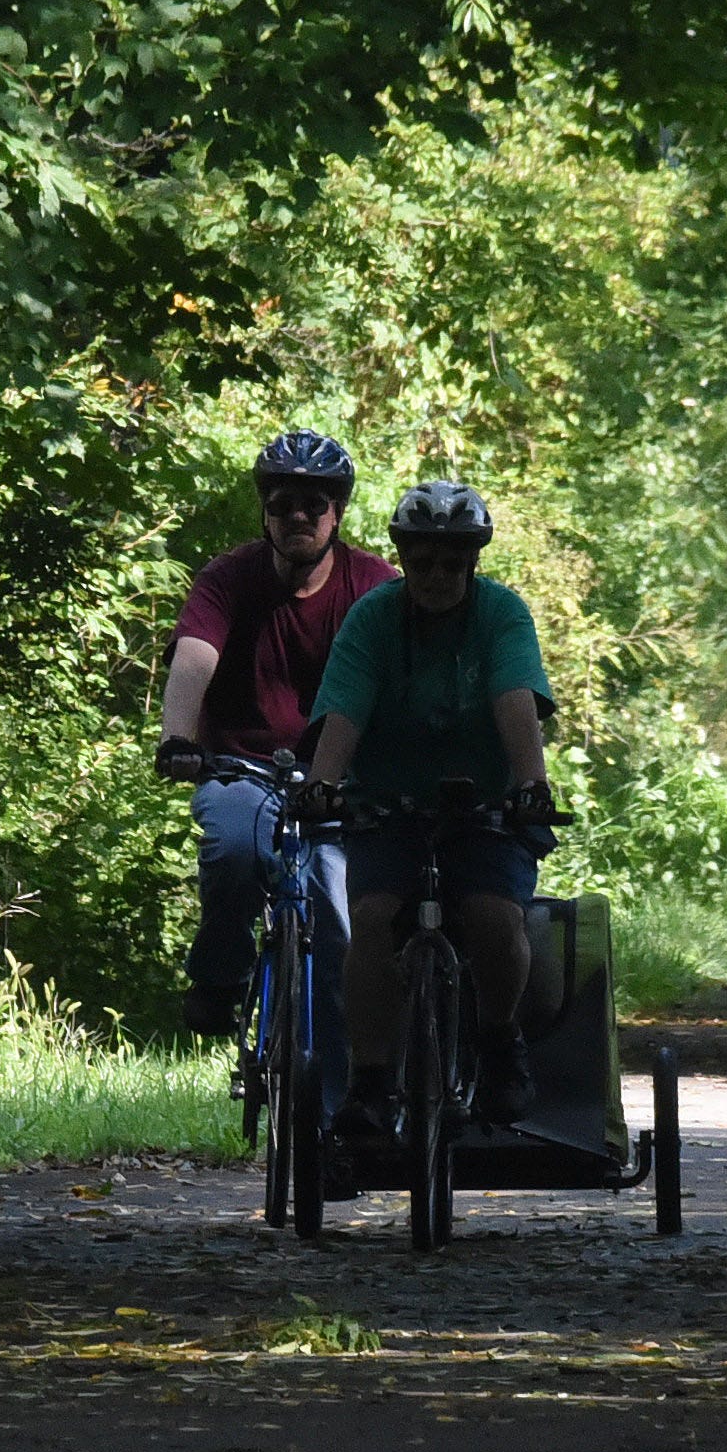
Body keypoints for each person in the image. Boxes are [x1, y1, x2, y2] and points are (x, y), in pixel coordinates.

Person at [301, 480, 558, 1134]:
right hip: (388, 803)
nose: (437, 576)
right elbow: (345, 707)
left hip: (485, 802)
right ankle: (371, 1084)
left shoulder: (501, 614)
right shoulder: (374, 617)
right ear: (404, 559)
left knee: (493, 917)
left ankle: (501, 1046)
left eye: (452, 563)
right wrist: (322, 782)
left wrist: (531, 782)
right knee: (375, 919)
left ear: (473, 562)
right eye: (422, 563)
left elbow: (514, 696)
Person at [155, 432, 392, 1100]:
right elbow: (196, 654)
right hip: (243, 766)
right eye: (283, 504)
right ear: (265, 511)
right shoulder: (229, 578)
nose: (297, 517)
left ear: (336, 514)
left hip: (344, 784)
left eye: (312, 505)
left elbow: (396, 672)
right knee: (232, 848)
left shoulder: (372, 585)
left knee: (342, 923)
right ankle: (221, 978)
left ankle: (342, 1112)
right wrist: (178, 738)